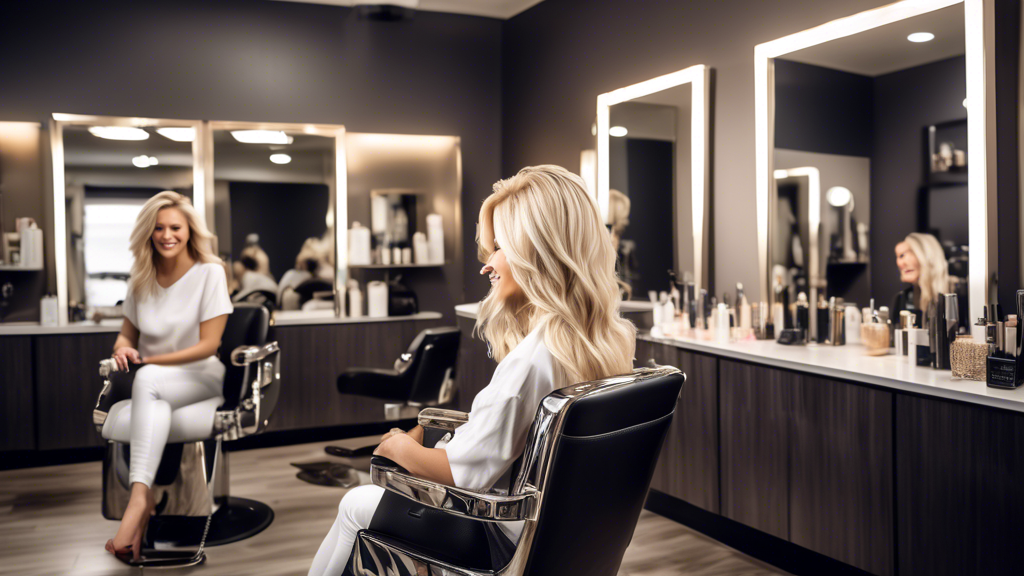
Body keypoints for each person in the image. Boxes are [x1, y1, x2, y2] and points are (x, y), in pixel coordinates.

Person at [307, 165, 637, 575]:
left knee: (355, 503)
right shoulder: (607, 339)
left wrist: (397, 446)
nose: (488, 265)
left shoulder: (531, 361)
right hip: (567, 539)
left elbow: (463, 477)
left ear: (537, 251)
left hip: (501, 533)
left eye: (500, 248)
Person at [104, 191, 233, 560]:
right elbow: (127, 335)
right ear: (148, 232)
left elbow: (209, 344)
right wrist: (123, 350)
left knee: (148, 381)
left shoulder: (210, 273)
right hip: (159, 385)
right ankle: (143, 502)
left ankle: (138, 502)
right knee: (154, 397)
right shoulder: (141, 278)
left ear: (189, 230)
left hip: (202, 376)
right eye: (158, 228)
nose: (166, 235)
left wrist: (151, 361)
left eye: (175, 227)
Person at [893, 232, 949, 324]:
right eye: (898, 257)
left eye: (902, 255)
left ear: (926, 253)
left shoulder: (957, 292)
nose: (899, 263)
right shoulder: (902, 299)